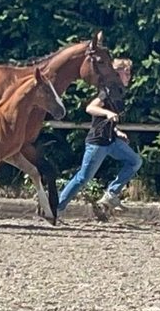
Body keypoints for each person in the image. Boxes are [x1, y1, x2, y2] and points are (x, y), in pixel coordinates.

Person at [57, 57, 142, 216]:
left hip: (111, 140)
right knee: (82, 178)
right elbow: (91, 108)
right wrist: (108, 112)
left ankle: (111, 194)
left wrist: (117, 131)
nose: (129, 77)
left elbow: (106, 120)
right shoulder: (107, 91)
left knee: (135, 161)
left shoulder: (117, 93)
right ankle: (57, 208)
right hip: (98, 142)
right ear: (117, 74)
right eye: (127, 73)